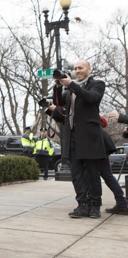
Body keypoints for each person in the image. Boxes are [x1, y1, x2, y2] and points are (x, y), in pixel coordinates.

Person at [47, 60, 105, 218]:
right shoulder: (71, 88)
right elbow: (58, 103)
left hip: (89, 137)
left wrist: (71, 84)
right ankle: (82, 204)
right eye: (75, 68)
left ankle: (94, 206)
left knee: (92, 174)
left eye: (81, 68)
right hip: (72, 136)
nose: (77, 70)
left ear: (89, 69)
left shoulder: (97, 84)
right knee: (77, 174)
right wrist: (58, 85)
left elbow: (91, 98)